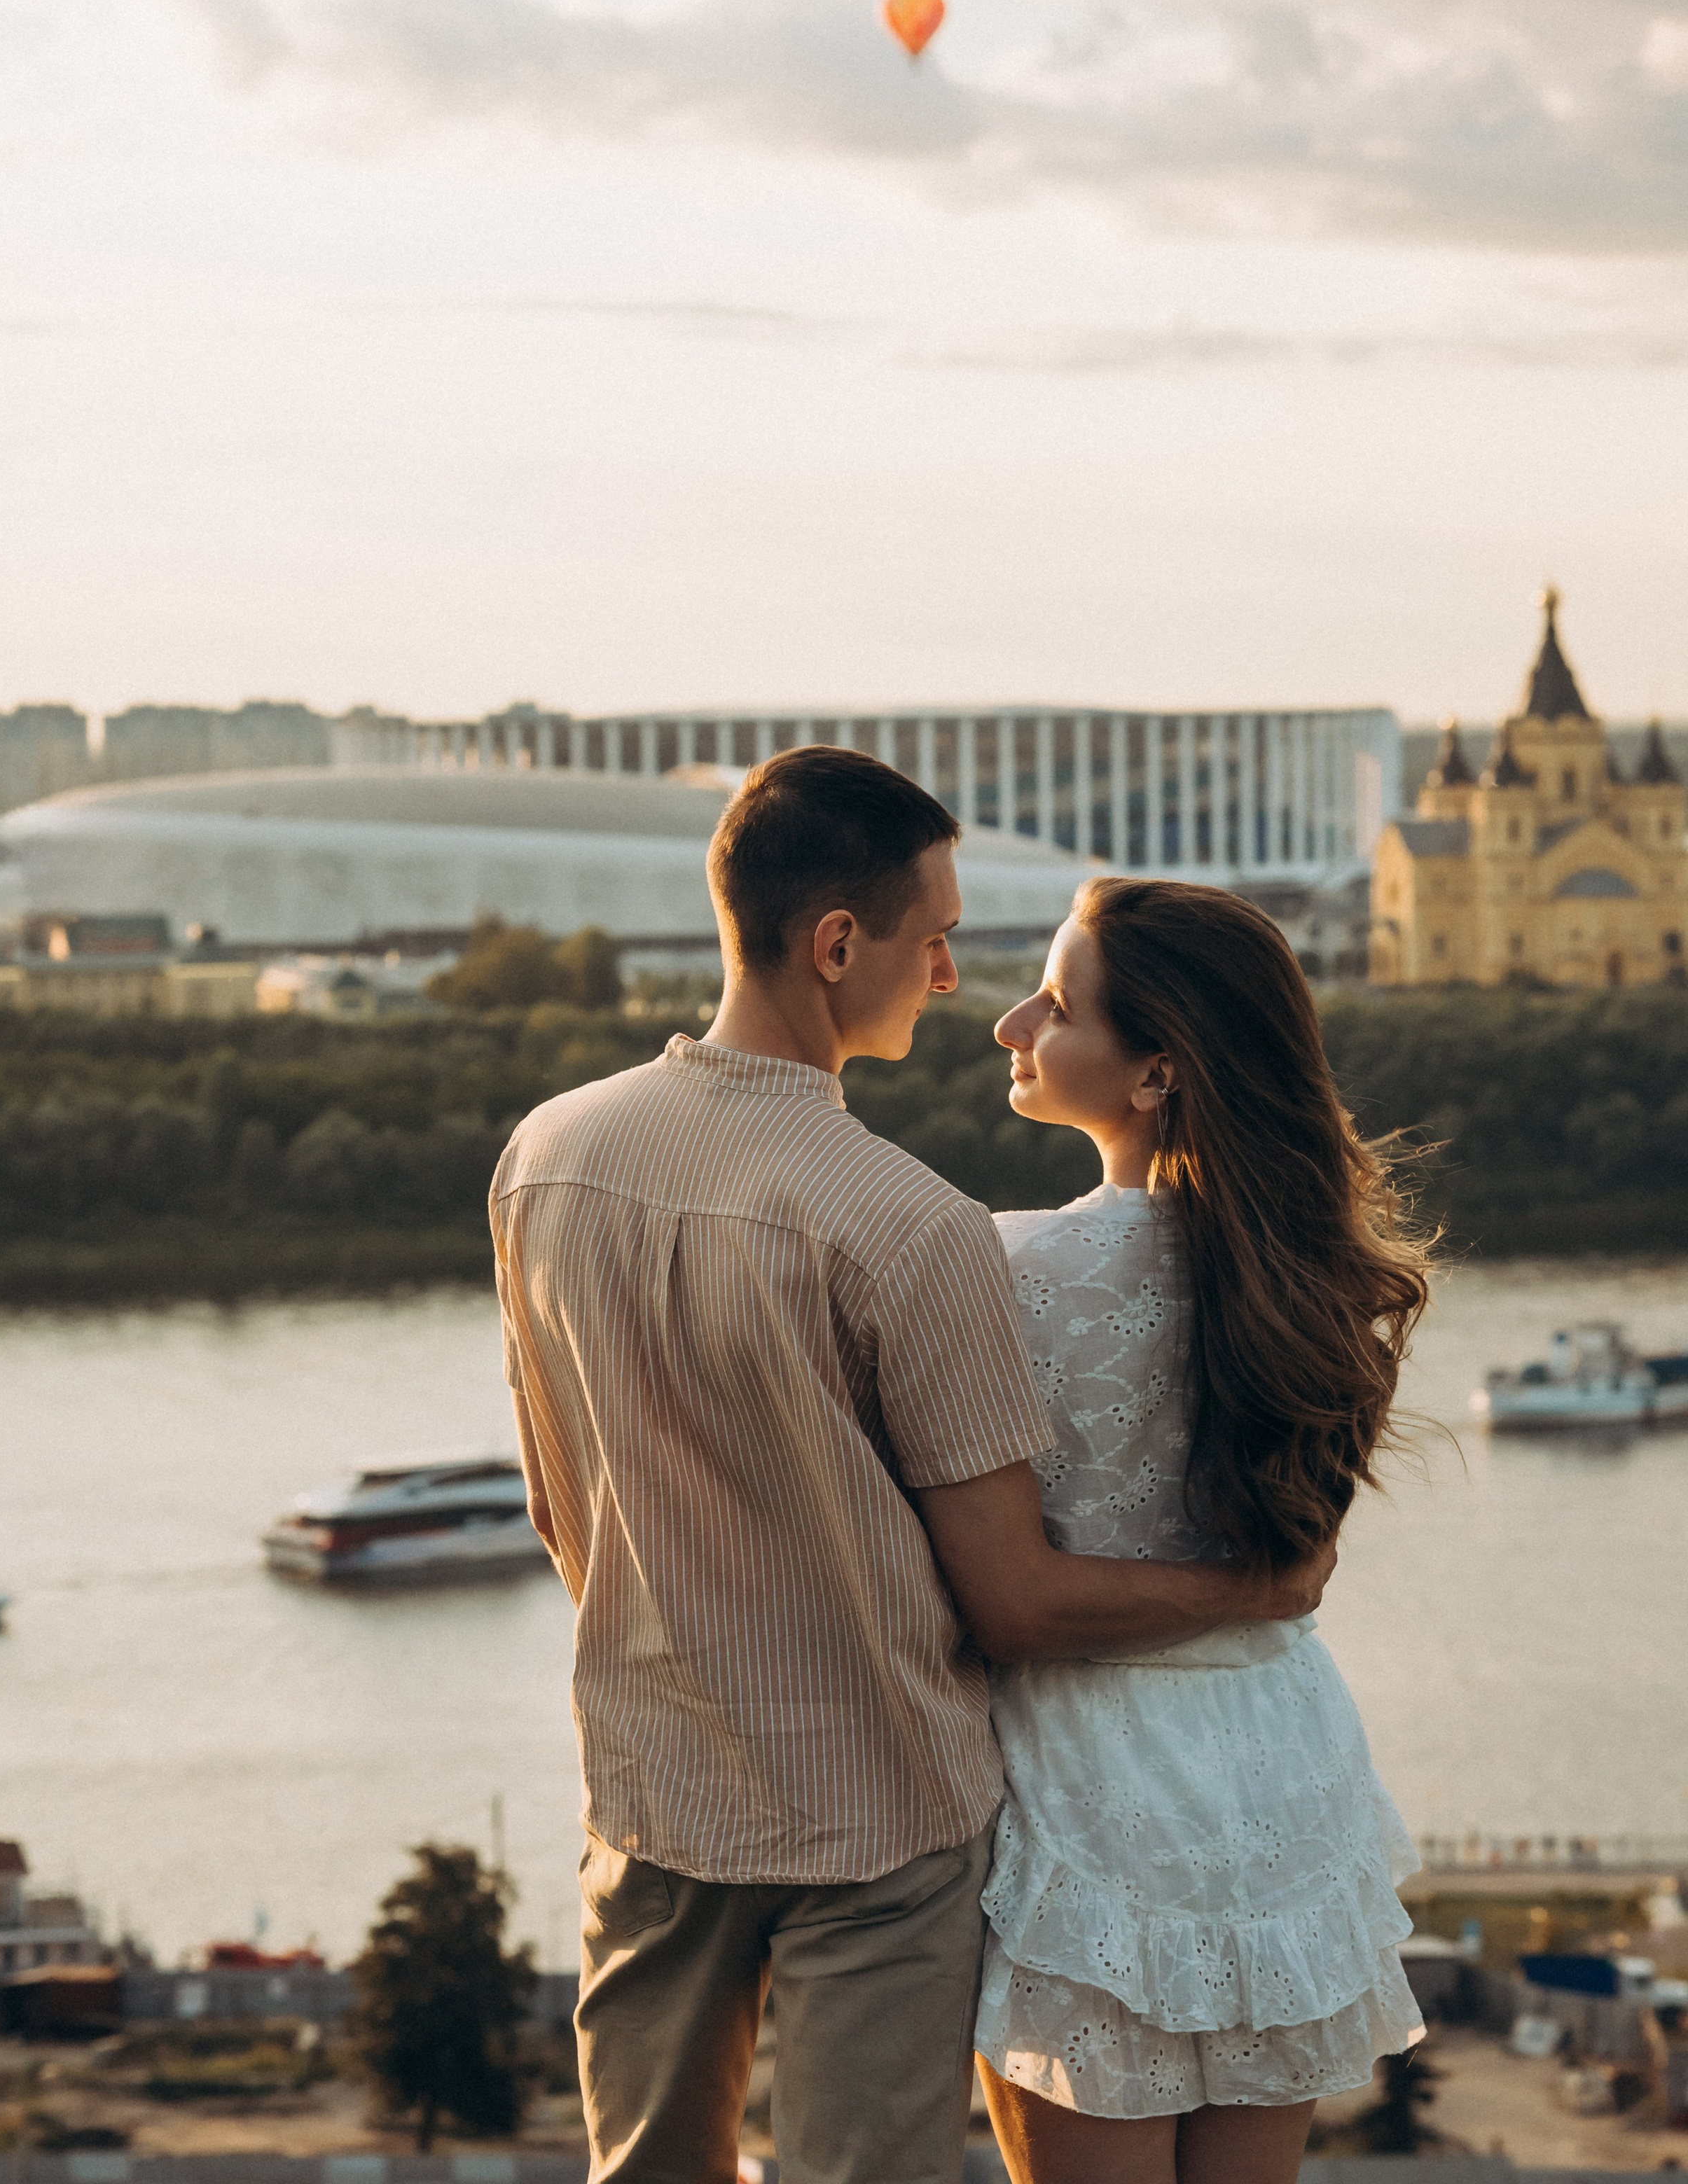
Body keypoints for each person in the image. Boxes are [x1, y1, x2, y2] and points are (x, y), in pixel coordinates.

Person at [491, 751, 1335, 2184]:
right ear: (836, 948)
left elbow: (560, 1513)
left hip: (650, 1788)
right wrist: (1257, 1587)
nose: (951, 977)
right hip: (879, 1819)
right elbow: (1009, 1595)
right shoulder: (912, 1227)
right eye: (933, 938)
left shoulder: (546, 1158)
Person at [975, 875, 1429, 2184]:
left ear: (1158, 1070)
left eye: (1057, 1005)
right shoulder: (1324, 1278)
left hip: (1086, 1774)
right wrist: (1256, 1595)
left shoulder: (1005, 1271)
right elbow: (1299, 1572)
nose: (1014, 1023)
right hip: (1279, 1767)